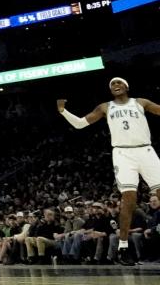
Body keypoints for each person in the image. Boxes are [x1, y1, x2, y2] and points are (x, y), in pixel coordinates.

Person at [58, 76, 160, 265]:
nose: (115, 85)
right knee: (129, 199)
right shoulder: (105, 107)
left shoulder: (140, 102)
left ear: (127, 86)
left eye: (119, 82)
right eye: (112, 84)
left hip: (146, 150)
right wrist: (63, 111)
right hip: (122, 153)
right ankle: (123, 247)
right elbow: (80, 123)